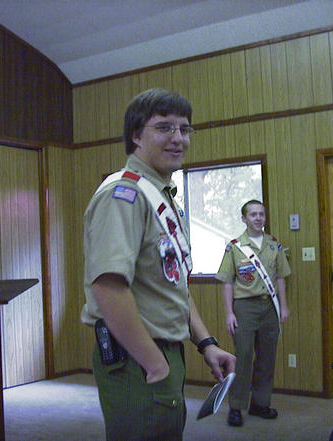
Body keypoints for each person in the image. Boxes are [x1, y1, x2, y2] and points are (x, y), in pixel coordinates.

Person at [81, 88, 236, 441]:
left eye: (184, 129)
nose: (178, 138)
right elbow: (108, 287)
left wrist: (207, 343)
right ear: (136, 136)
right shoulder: (124, 195)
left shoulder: (162, 198)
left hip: (163, 351)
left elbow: (172, 284)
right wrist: (153, 362)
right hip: (135, 358)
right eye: (164, 127)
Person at [215, 200, 291, 427]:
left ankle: (260, 403)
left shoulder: (274, 246)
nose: (258, 218)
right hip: (244, 307)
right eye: (253, 214)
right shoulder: (235, 247)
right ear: (244, 219)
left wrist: (284, 306)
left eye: (261, 214)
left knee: (267, 358)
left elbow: (281, 277)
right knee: (244, 357)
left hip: (269, 307)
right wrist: (229, 313)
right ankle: (236, 406)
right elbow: (227, 282)